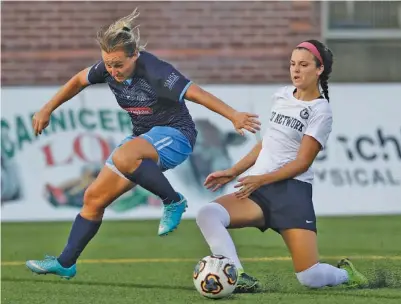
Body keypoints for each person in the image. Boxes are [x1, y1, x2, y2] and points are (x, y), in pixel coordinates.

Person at [25, 8, 260, 280]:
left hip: (177, 136)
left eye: (118, 65)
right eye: (108, 65)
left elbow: (196, 93)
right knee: (93, 198)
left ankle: (173, 201)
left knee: (126, 155)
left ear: (134, 55)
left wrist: (234, 115)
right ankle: (66, 262)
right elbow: (79, 80)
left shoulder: (157, 70)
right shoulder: (108, 68)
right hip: (143, 140)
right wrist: (47, 108)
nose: (112, 71)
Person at [196, 40, 369, 293]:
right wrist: (234, 171)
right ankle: (237, 274)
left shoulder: (321, 110)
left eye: (303, 65)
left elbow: (302, 163)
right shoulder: (282, 95)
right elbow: (267, 143)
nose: (295, 70)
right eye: (292, 64)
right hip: (260, 189)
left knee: (310, 277)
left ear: (319, 69)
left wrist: (261, 179)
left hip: (291, 194)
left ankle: (345, 275)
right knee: (208, 214)